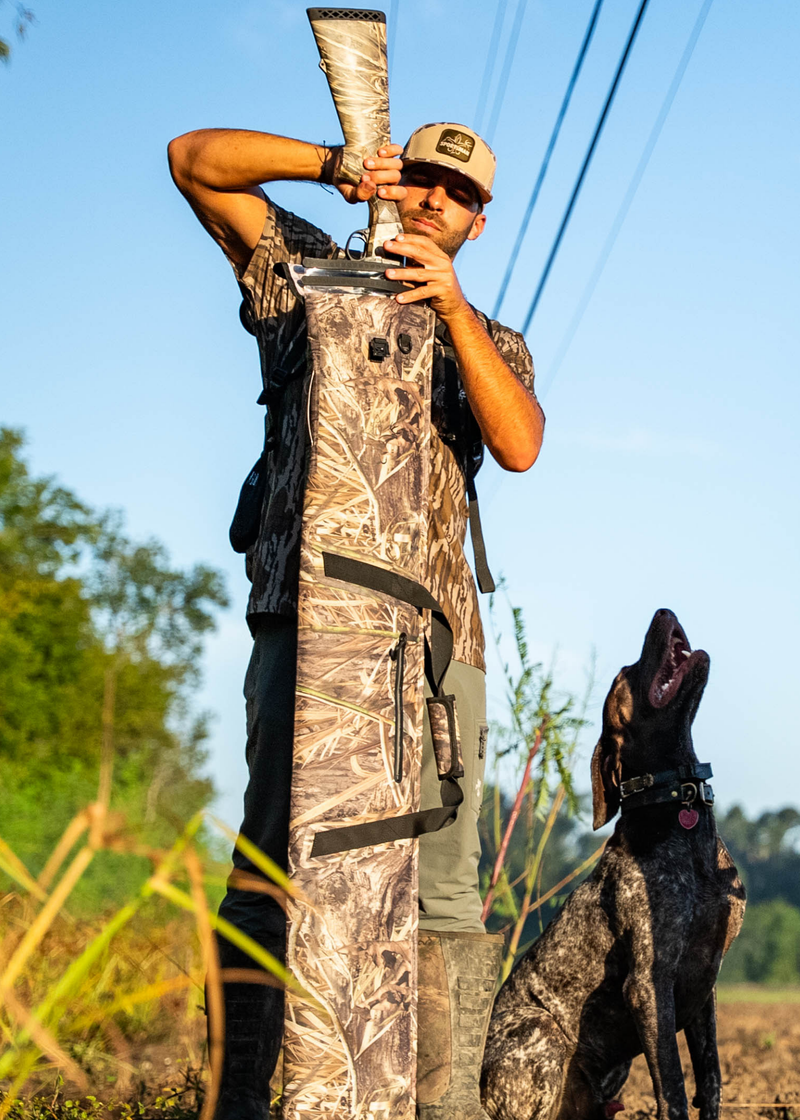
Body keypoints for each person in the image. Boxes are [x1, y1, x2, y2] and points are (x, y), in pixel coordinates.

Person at [168, 121, 544, 1120]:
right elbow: (191, 160)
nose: (432, 198)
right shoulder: (304, 275)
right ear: (393, 179)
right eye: (417, 176)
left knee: (441, 890)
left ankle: (440, 1112)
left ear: (476, 222)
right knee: (267, 869)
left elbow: (518, 445)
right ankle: (238, 1104)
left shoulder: (491, 338)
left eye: (457, 193)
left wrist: (451, 311)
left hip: (437, 642)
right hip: (304, 619)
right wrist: (331, 165)